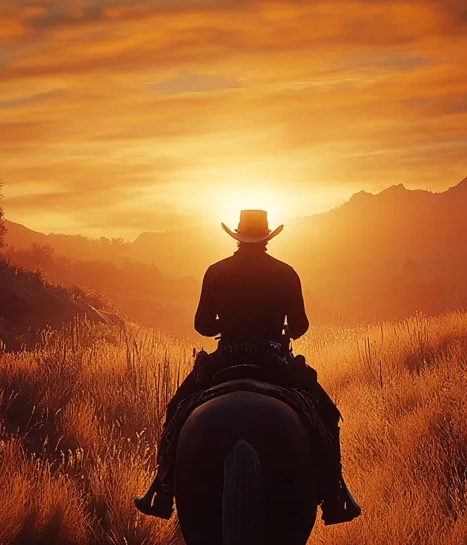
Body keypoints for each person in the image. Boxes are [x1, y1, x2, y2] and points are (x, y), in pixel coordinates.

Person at [134, 210, 360, 525]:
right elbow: (299, 327)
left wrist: (227, 322)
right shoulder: (286, 273)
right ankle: (334, 497)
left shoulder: (216, 271)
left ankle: (162, 491)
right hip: (274, 359)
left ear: (237, 236)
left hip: (225, 358)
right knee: (326, 414)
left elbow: (202, 325)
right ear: (267, 237)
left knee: (176, 410)